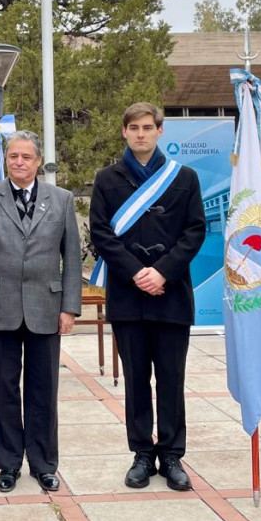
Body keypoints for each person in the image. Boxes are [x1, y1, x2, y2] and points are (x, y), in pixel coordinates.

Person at [89, 102, 206, 491]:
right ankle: (142, 453)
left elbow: (195, 231)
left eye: (147, 127)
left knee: (171, 379)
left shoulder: (184, 177)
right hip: (128, 295)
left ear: (160, 131)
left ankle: (172, 455)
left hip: (170, 294)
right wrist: (136, 271)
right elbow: (101, 233)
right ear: (124, 132)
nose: (141, 133)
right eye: (134, 127)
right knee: (137, 380)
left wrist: (162, 271)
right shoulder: (107, 178)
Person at [0, 130, 81, 493]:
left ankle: (43, 463)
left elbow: (73, 259)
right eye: (13, 156)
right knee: (2, 390)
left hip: (46, 307)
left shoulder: (62, 200)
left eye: (26, 157)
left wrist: (69, 308)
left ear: (38, 161)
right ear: (6, 160)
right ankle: (8, 463)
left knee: (43, 389)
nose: (19, 162)